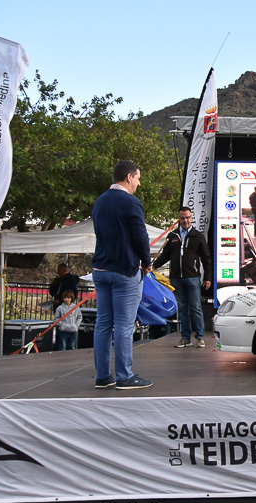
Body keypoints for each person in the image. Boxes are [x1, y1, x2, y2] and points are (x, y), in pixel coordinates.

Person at [92, 160, 153, 390]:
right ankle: (124, 376)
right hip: (124, 270)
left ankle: (102, 376)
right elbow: (140, 236)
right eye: (138, 178)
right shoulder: (131, 202)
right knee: (124, 325)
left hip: (100, 269)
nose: (139, 183)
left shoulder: (100, 201)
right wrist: (146, 262)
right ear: (129, 177)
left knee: (103, 323)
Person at [152, 206, 212, 349]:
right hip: (176, 278)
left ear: (191, 218)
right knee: (182, 309)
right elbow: (165, 255)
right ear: (178, 219)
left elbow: (206, 258)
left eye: (187, 218)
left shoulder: (198, 236)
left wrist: (208, 277)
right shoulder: (172, 236)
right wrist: (153, 266)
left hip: (192, 277)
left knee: (196, 307)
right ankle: (185, 338)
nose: (185, 221)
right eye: (182, 218)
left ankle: (199, 337)